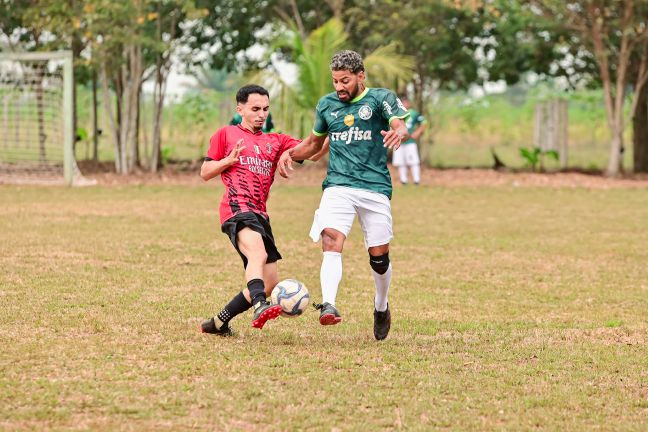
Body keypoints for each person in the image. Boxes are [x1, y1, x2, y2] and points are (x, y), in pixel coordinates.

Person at [277, 50, 410, 341]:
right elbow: (313, 145)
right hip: (338, 185)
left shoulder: (379, 99)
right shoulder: (327, 105)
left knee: (379, 257)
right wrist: (289, 153)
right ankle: (329, 304)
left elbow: (399, 123)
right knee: (331, 238)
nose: (339, 87)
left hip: (374, 187)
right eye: (335, 81)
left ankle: (381, 306)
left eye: (345, 80)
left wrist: (398, 132)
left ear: (361, 76)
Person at [200, 84, 303, 336]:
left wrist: (323, 132)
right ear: (240, 109)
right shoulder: (226, 134)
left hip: (260, 214)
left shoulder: (275, 140)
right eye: (255, 109)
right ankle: (259, 305)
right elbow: (205, 172)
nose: (261, 114)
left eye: (265, 109)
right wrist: (228, 161)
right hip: (236, 208)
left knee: (269, 283)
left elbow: (311, 149)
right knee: (256, 254)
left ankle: (218, 322)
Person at [391, 96, 426, 185]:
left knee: (414, 161)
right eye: (403, 103)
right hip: (398, 141)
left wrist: (417, 132)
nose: (405, 104)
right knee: (400, 162)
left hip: (410, 141)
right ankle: (404, 180)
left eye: (406, 102)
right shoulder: (394, 113)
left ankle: (416, 180)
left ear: (409, 103)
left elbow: (424, 122)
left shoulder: (413, 113)